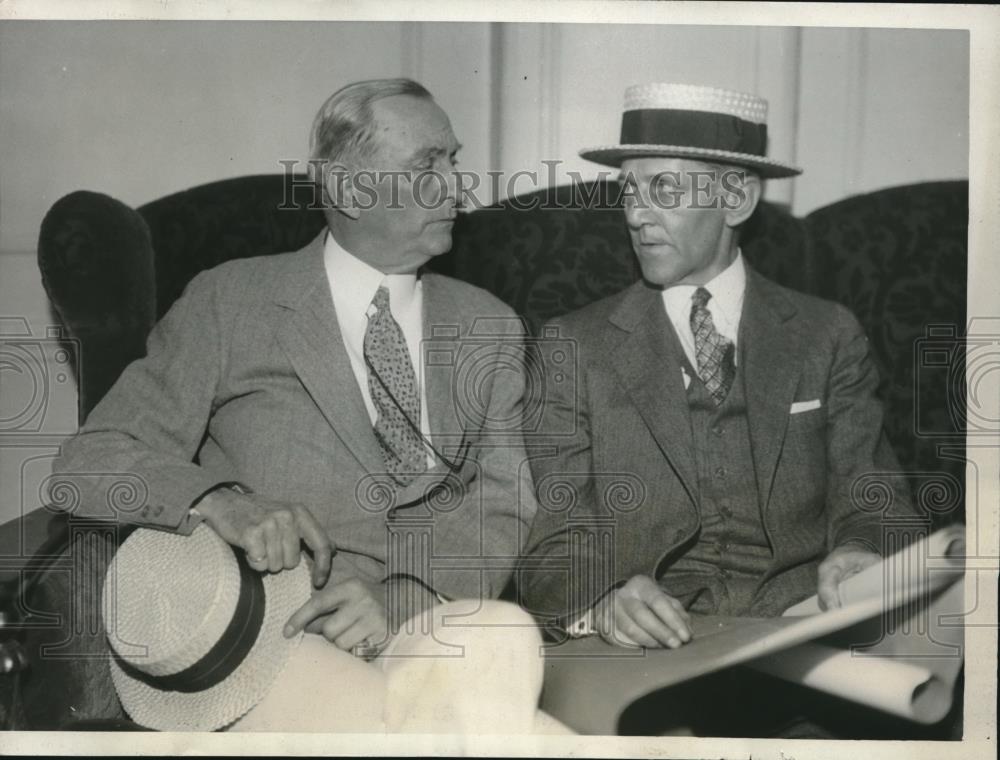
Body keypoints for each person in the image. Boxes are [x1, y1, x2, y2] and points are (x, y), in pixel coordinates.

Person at [53, 78, 562, 734]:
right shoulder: (231, 302)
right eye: (425, 166)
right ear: (348, 189)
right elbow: (87, 461)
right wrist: (218, 500)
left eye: (452, 161)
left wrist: (402, 597)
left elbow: (503, 498)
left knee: (501, 631)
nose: (456, 188)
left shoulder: (487, 325)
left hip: (419, 623)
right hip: (275, 638)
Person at [519, 83, 915, 654]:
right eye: (628, 189)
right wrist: (602, 600)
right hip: (651, 651)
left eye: (664, 189)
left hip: (805, 632)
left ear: (737, 200)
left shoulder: (825, 334)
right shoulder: (573, 345)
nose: (635, 213)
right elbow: (553, 544)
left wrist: (862, 552)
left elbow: (873, 495)